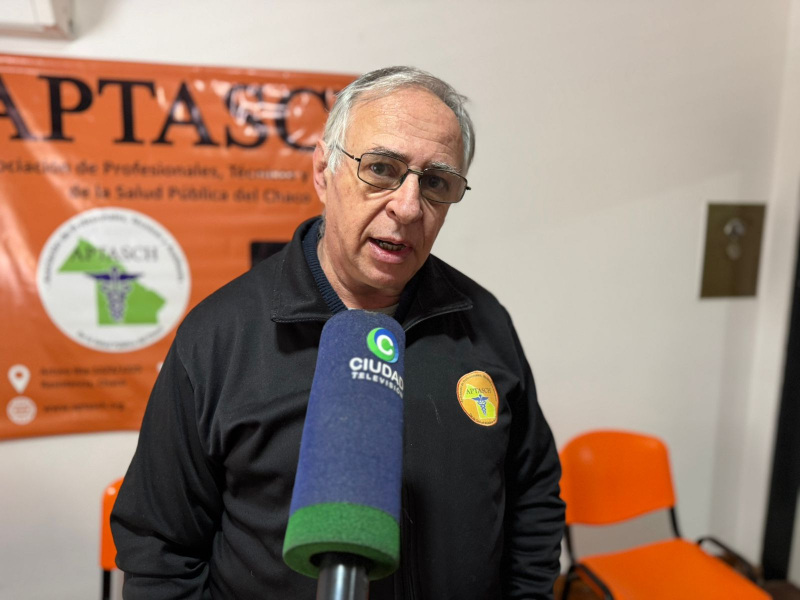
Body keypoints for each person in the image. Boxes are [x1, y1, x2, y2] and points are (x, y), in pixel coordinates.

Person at [111, 66, 565, 599]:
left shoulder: (485, 322)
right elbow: (160, 549)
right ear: (323, 172)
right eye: (381, 168)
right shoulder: (219, 337)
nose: (408, 206)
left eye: (436, 182)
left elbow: (533, 492)